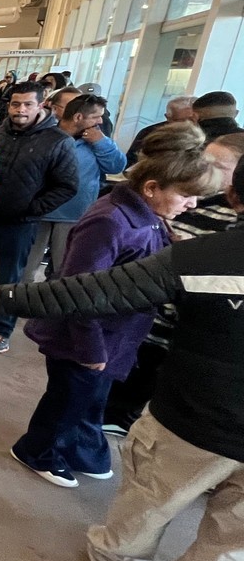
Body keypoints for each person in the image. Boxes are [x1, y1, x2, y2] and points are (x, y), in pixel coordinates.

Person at [0, 158, 244, 561]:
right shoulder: (167, 240)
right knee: (235, 545)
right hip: (198, 415)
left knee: (151, 499)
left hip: (193, 418)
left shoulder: (205, 257)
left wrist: (3, 297)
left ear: (234, 197)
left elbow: (94, 292)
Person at [2, 143, 215, 488]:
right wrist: (91, 350)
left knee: (91, 401)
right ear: (151, 188)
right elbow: (78, 291)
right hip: (83, 338)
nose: (193, 205)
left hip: (115, 338)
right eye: (186, 195)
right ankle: (36, 450)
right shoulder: (109, 221)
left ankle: (82, 451)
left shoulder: (150, 218)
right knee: (67, 402)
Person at [101, 126, 235, 436]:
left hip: (180, 324)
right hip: (142, 314)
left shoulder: (221, 219)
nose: (203, 168)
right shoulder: (138, 209)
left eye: (218, 166)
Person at [0, 81, 79, 353]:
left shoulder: (58, 142)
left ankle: (2, 329)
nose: (20, 109)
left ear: (41, 105)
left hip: (20, 225)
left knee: (11, 279)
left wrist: (32, 209)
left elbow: (67, 186)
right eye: (15, 104)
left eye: (27, 104)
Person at [27, 93, 128, 278]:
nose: (100, 121)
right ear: (78, 117)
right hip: (39, 210)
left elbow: (117, 166)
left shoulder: (97, 140)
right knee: (26, 264)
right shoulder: (45, 135)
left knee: (65, 268)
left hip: (75, 213)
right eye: (96, 116)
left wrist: (101, 142)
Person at [125, 95, 195, 166]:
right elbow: (130, 162)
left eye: (192, 119)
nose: (189, 124)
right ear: (168, 118)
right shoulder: (149, 133)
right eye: (183, 121)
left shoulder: (201, 134)